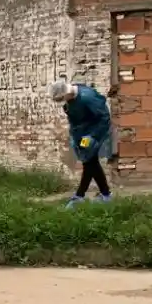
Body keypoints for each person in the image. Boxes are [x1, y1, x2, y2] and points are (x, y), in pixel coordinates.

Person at [50, 79, 113, 208]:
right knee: (91, 161)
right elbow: (74, 119)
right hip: (81, 134)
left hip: (92, 134)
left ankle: (80, 196)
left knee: (89, 161)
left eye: (63, 98)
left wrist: (93, 136)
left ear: (66, 92)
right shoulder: (71, 98)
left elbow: (104, 117)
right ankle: (105, 194)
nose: (64, 101)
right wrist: (74, 136)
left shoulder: (87, 98)